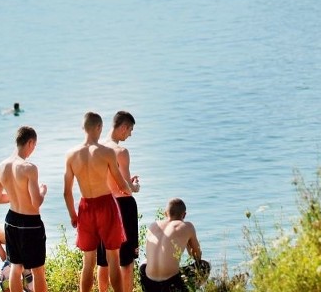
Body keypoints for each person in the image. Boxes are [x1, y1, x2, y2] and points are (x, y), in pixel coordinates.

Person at [63, 112, 133, 292]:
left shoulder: (71, 155)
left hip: (85, 206)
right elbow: (121, 183)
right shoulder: (107, 152)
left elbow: (67, 192)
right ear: (99, 127)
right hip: (106, 206)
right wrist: (133, 187)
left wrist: (73, 215)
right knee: (113, 259)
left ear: (83, 128)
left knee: (89, 262)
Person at [0, 126, 48, 292]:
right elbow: (36, 202)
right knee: (38, 270)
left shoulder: (1, 167)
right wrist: (42, 191)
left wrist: (16, 195)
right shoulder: (29, 168)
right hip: (30, 223)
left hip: (11, 221)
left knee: (16, 266)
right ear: (30, 143)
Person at [97, 111, 141, 292]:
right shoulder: (121, 152)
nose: (129, 134)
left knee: (103, 260)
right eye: (130, 130)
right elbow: (125, 187)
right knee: (126, 261)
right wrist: (135, 185)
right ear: (123, 127)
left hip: (102, 204)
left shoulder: (96, 148)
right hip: (122, 207)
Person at [140, 198, 211, 292]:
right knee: (204, 266)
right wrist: (187, 242)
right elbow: (196, 256)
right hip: (171, 285)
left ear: (165, 213)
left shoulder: (153, 225)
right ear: (184, 215)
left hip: (148, 283)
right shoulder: (187, 226)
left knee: (144, 262)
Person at [0, 224, 34, 292]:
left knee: (4, 278)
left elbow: (3, 257)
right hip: (28, 245)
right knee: (28, 278)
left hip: (19, 247)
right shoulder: (0, 229)